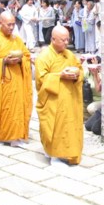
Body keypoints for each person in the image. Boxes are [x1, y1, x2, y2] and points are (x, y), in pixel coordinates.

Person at [0, 11, 32, 147]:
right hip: (1, 82)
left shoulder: (17, 40)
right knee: (3, 109)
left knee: (17, 108)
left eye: (13, 24)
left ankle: (16, 137)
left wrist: (21, 60)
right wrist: (4, 61)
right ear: (0, 23)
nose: (11, 27)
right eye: (8, 24)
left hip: (17, 80)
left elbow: (27, 56)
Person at [35, 26, 84, 165]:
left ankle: (68, 153)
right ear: (53, 39)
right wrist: (60, 76)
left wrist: (77, 74)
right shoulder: (44, 56)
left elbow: (79, 69)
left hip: (69, 99)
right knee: (54, 127)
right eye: (63, 40)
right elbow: (41, 79)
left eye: (68, 39)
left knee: (69, 127)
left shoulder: (69, 55)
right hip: (53, 101)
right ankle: (54, 155)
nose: (66, 42)